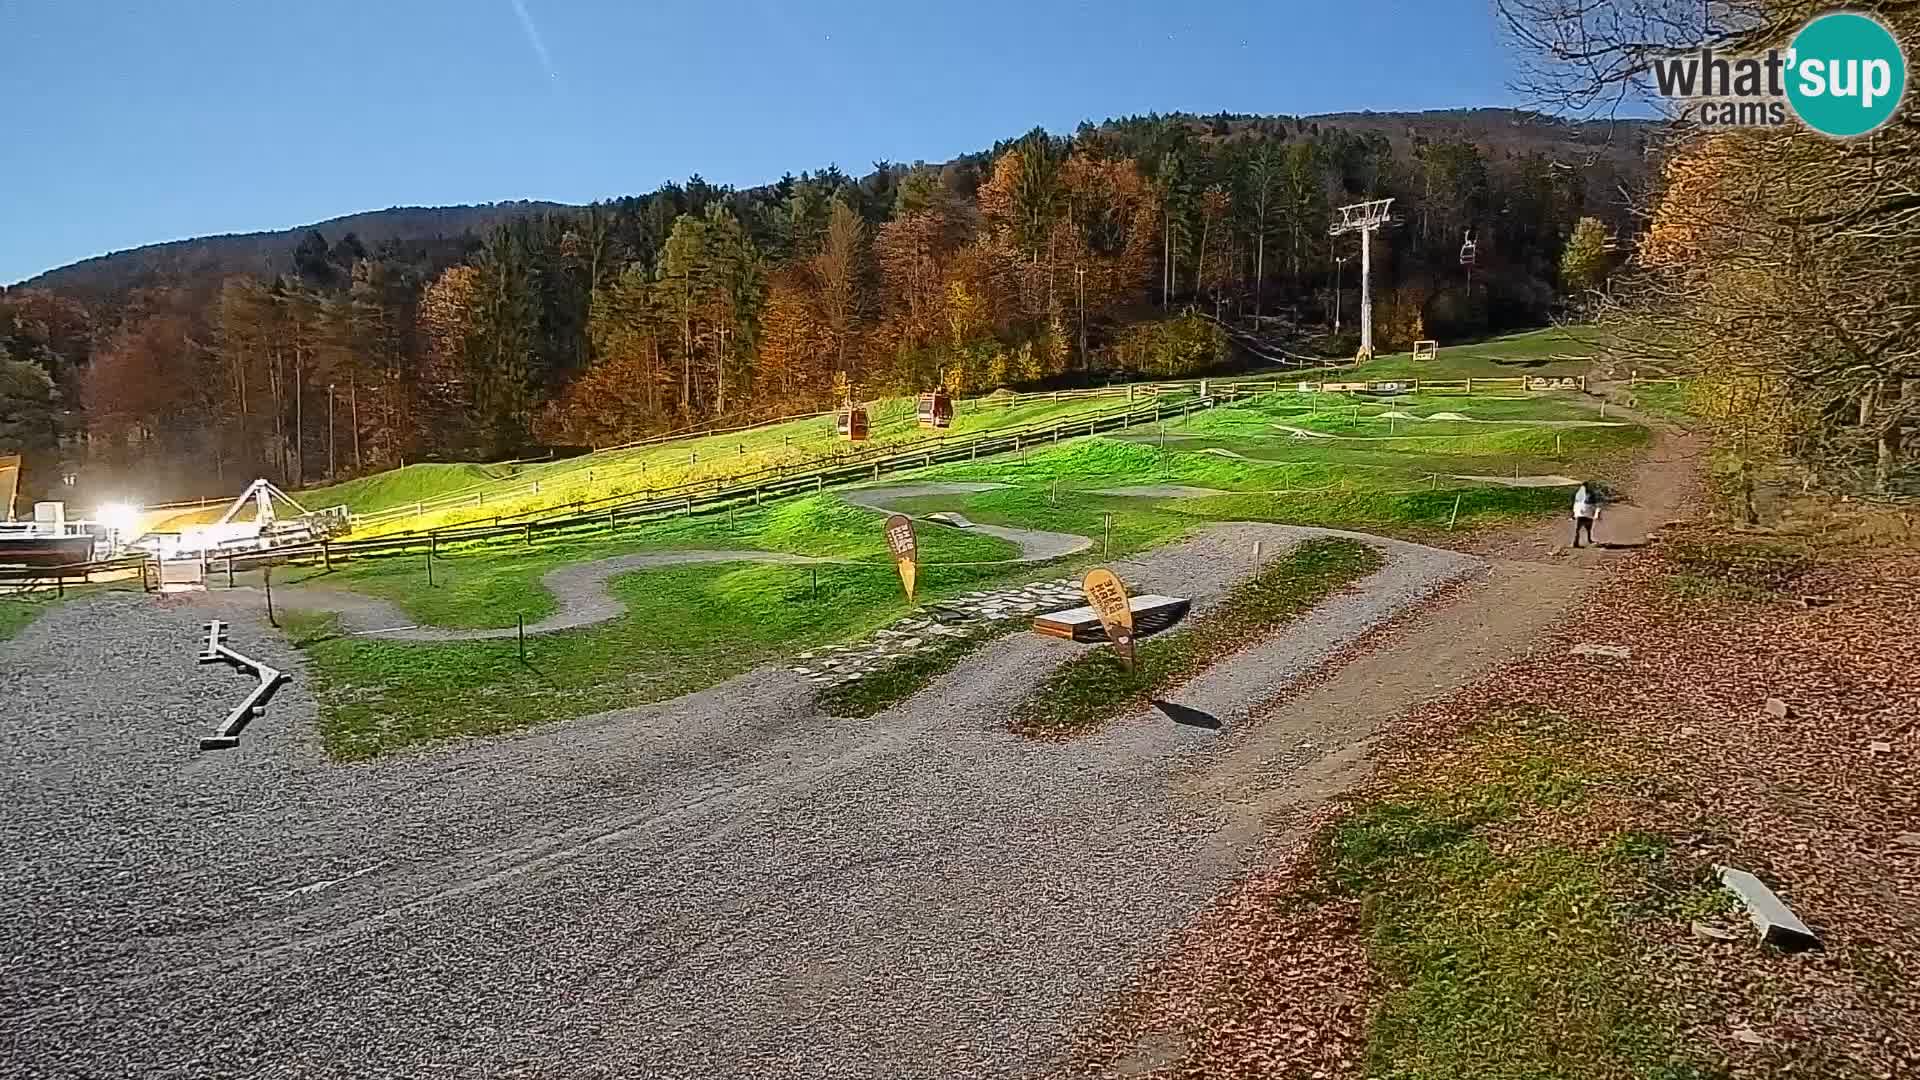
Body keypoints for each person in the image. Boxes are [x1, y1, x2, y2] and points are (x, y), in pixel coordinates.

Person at [1572, 481, 1602, 548]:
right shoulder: (1590, 494)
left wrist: (1574, 513)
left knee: (1579, 529)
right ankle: (1584, 540)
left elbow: (1576, 504)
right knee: (1585, 529)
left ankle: (1577, 541)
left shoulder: (1580, 494)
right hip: (1586, 513)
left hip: (1583, 513)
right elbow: (1596, 504)